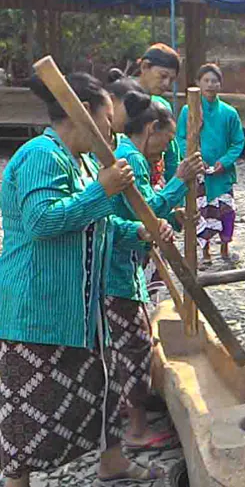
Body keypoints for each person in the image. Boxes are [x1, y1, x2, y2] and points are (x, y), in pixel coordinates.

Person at [0, 73, 171, 486]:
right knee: (30, 401)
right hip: (38, 304)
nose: (111, 128)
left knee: (101, 386)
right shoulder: (42, 154)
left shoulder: (86, 161)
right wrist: (101, 190)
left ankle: (111, 461)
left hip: (83, 306)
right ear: (83, 113)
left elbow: (101, 223)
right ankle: (16, 479)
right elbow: (42, 221)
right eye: (107, 117)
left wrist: (140, 232)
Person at [106, 92, 204, 451]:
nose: (167, 148)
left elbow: (148, 215)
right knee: (134, 347)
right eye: (166, 138)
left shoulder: (130, 154)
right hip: (117, 270)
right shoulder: (129, 156)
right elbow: (144, 211)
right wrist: (180, 181)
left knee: (128, 343)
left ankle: (127, 413)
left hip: (125, 264)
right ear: (152, 128)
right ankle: (135, 429)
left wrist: (172, 218)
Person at [176, 64, 245, 265]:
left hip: (222, 174)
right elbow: (180, 138)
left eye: (214, 81)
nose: (210, 84)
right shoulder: (188, 111)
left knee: (226, 212)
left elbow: (238, 141)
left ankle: (224, 248)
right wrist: (193, 156)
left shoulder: (229, 113)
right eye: (206, 80)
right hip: (199, 171)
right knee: (202, 211)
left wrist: (224, 162)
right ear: (198, 83)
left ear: (220, 85)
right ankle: (204, 252)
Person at [134, 43, 182, 184]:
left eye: (172, 80)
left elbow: (172, 155)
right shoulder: (123, 102)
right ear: (144, 67)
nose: (166, 84)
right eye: (162, 76)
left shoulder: (162, 106)